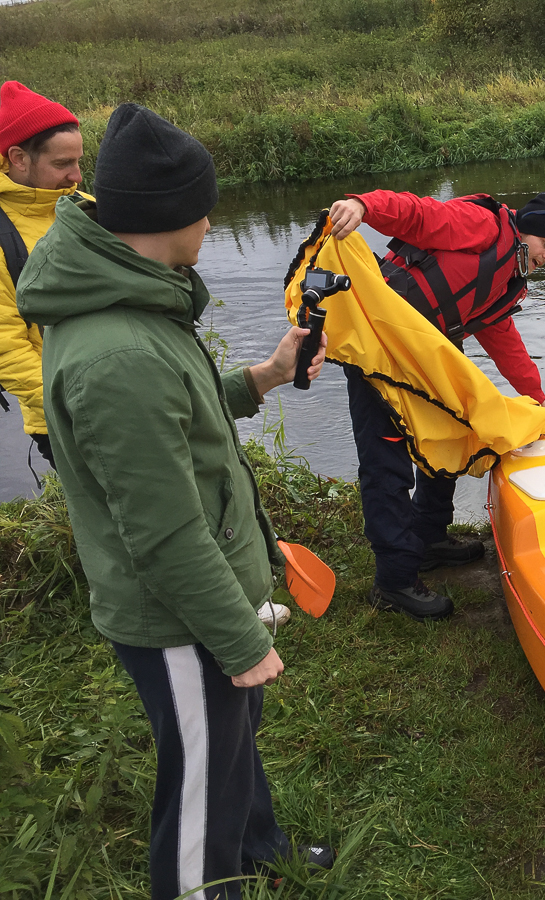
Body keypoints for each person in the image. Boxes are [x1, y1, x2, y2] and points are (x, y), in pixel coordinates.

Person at [17, 103, 332, 900]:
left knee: (232, 743)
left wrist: (260, 376)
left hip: (205, 596)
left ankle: (259, 846)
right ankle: (204, 884)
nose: (212, 221)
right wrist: (240, 641)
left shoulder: (140, 294)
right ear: (172, 215)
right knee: (199, 771)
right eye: (206, 207)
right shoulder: (118, 352)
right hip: (175, 616)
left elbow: (180, 418)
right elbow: (161, 535)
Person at [327, 187, 545, 621]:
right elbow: (420, 215)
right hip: (380, 343)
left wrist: (537, 400)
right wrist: (364, 206)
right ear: (527, 233)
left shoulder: (508, 282)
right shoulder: (482, 226)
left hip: (427, 355)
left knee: (453, 436)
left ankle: (428, 537)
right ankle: (394, 582)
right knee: (387, 461)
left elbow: (504, 340)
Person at [0, 80, 85, 469]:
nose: (77, 176)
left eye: (79, 161)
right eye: (62, 164)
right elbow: (7, 347)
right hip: (63, 417)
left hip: (131, 391)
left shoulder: (87, 208)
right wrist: (77, 403)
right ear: (18, 157)